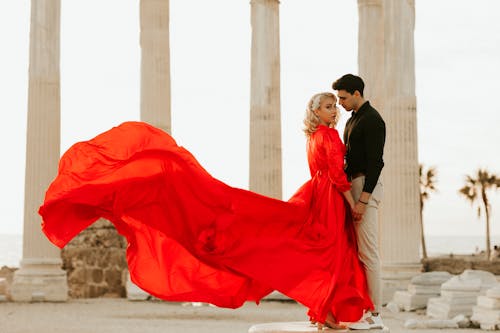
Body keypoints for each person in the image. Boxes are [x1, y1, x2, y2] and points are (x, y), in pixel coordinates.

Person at [39, 92, 372, 328]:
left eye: (335, 106)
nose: (335, 111)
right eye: (329, 107)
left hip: (314, 193)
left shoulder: (314, 137)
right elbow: (336, 175)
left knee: (314, 247)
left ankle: (324, 314)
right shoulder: (328, 137)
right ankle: (327, 313)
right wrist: (354, 203)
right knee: (330, 250)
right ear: (317, 112)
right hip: (327, 197)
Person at [332, 74, 386, 330]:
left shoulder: (373, 120)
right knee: (357, 253)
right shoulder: (352, 120)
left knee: (369, 253)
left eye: (343, 97)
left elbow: (377, 163)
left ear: (356, 93)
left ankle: (375, 317)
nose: (339, 102)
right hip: (351, 185)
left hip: (364, 186)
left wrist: (363, 199)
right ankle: (361, 309)